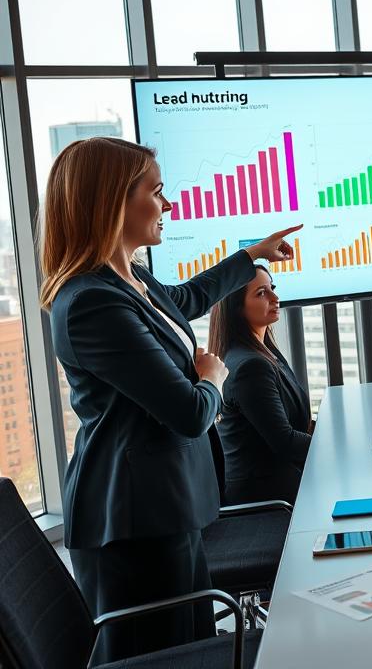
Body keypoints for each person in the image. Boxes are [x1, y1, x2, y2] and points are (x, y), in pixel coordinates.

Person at [41, 137, 301, 663]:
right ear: (114, 201)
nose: (169, 204)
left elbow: (183, 302)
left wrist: (250, 256)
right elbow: (188, 413)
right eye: (157, 192)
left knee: (190, 647)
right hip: (134, 520)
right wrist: (211, 376)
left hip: (168, 505)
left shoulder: (130, 279)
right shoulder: (89, 301)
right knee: (168, 656)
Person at [209, 266, 312, 505]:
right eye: (262, 293)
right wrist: (334, 445)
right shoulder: (249, 366)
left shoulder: (265, 352)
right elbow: (284, 442)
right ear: (237, 307)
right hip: (266, 499)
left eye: (272, 289)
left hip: (284, 485)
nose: (275, 298)